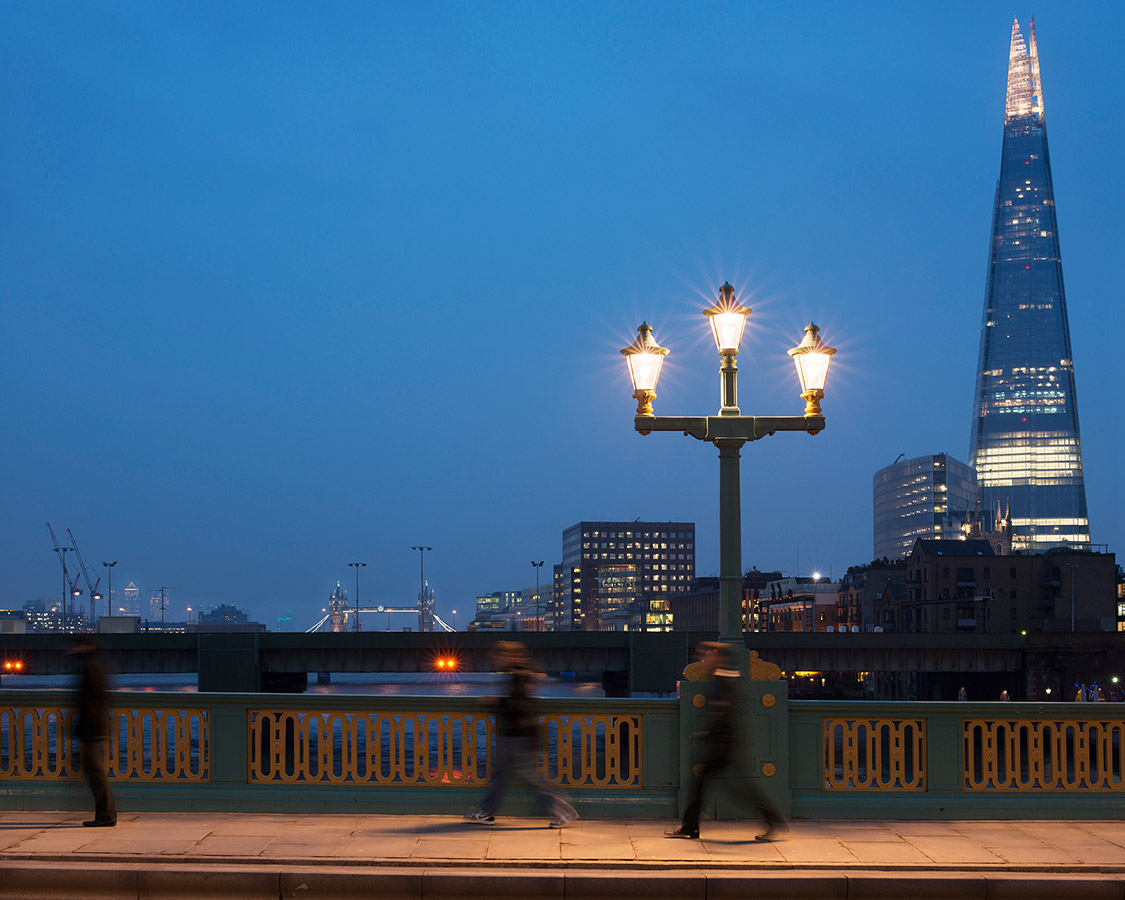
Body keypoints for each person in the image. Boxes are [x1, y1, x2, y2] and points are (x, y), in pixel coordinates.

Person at [666, 642, 785, 842]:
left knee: (730, 787)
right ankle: (691, 826)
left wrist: (707, 730)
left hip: (722, 744)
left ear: (717, 657)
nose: (703, 661)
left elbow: (721, 709)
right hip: (724, 743)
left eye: (706, 656)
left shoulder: (723, 680)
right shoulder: (724, 677)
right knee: (727, 786)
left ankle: (691, 826)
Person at [464, 641, 577, 828]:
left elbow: (517, 704)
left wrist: (495, 701)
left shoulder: (517, 675)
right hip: (521, 731)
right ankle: (486, 812)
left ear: (509, 655)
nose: (494, 659)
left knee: (529, 777)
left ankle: (562, 811)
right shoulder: (522, 672)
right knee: (507, 774)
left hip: (518, 733)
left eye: (498, 655)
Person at [71, 635, 116, 827]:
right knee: (94, 771)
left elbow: (88, 700)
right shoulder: (97, 665)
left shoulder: (90, 667)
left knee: (95, 772)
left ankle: (106, 815)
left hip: (90, 728)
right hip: (95, 726)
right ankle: (105, 814)